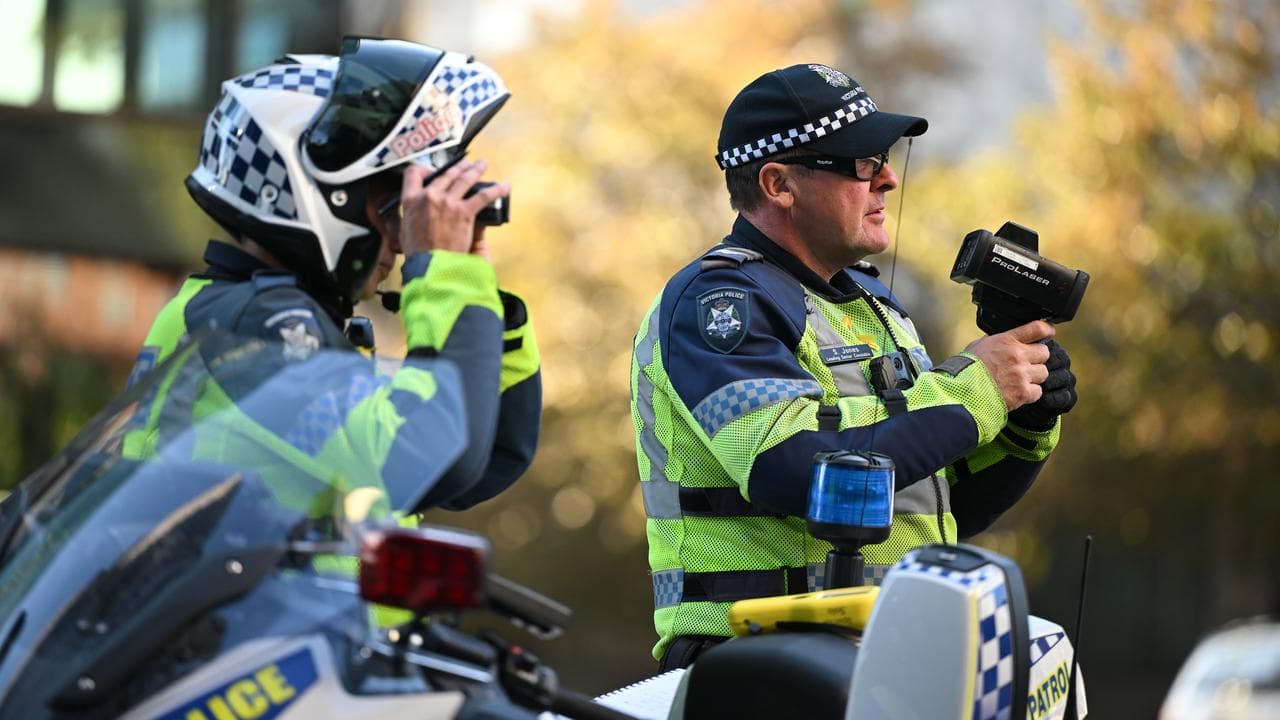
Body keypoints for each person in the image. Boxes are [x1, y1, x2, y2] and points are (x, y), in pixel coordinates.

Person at [630, 63, 1078, 669]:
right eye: (861, 163)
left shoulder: (877, 308)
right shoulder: (717, 306)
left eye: (886, 159)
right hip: (754, 665)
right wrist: (977, 391)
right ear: (778, 184)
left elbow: (935, 502)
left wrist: (1023, 421)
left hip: (883, 654)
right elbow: (790, 467)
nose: (888, 179)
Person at [125, 37, 540, 515]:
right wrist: (448, 279)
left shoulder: (250, 316)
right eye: (391, 210)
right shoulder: (253, 330)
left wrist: (482, 298)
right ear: (320, 196)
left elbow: (489, 457)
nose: (403, 241)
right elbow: (425, 461)